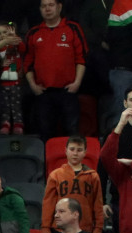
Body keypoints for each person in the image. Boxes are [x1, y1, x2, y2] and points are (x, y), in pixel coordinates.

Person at [24, 0, 88, 138]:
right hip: (43, 93)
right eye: (43, 6)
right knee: (45, 134)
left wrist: (77, 83)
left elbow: (81, 58)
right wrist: (33, 85)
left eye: (51, 5)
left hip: (68, 91)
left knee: (72, 133)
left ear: (59, 7)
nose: (47, 9)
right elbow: (27, 63)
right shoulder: (33, 33)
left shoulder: (73, 28)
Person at [41, 136, 103, 233]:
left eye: (79, 150)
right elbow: (48, 204)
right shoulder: (55, 175)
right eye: (72, 149)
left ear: (85, 152)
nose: (75, 153)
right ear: (65, 151)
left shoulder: (93, 176)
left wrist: (98, 229)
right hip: (59, 229)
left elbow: (98, 205)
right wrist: (45, 228)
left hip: (85, 229)